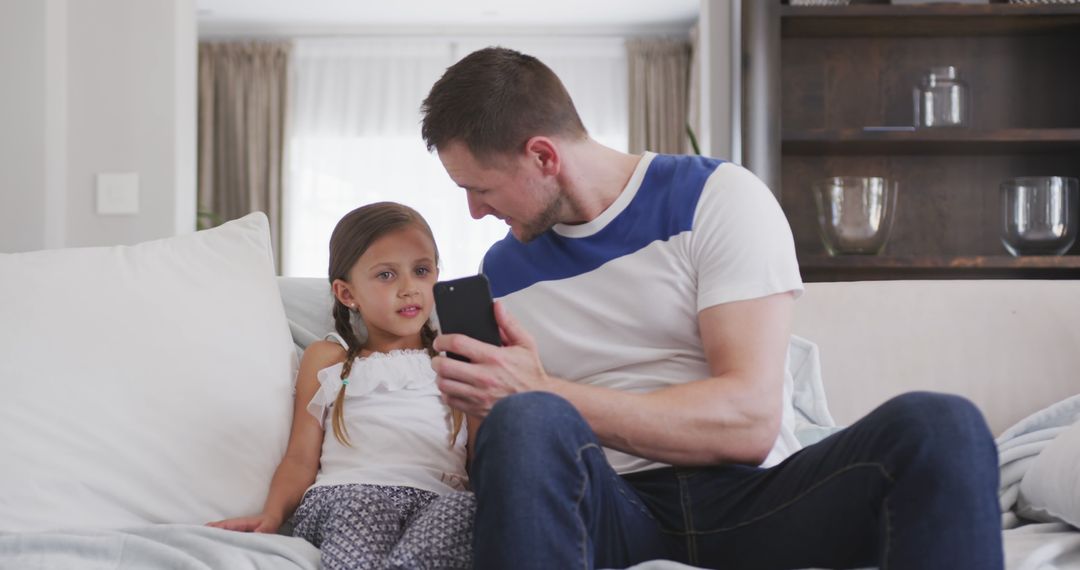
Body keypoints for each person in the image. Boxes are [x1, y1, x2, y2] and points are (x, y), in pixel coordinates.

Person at [420, 47, 1002, 569]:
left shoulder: (715, 197)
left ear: (543, 157)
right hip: (614, 509)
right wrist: (487, 408)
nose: (474, 212)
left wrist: (544, 392)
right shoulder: (503, 270)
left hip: (760, 498)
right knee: (526, 420)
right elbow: (510, 461)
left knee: (941, 424)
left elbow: (749, 421)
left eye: (482, 188)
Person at [207, 202, 477, 570]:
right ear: (347, 293)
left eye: (421, 270)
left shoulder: (457, 362)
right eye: (386, 275)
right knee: (366, 505)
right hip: (348, 495)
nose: (409, 288)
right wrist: (271, 516)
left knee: (470, 507)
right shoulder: (329, 359)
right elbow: (300, 458)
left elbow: (482, 458)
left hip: (435, 501)